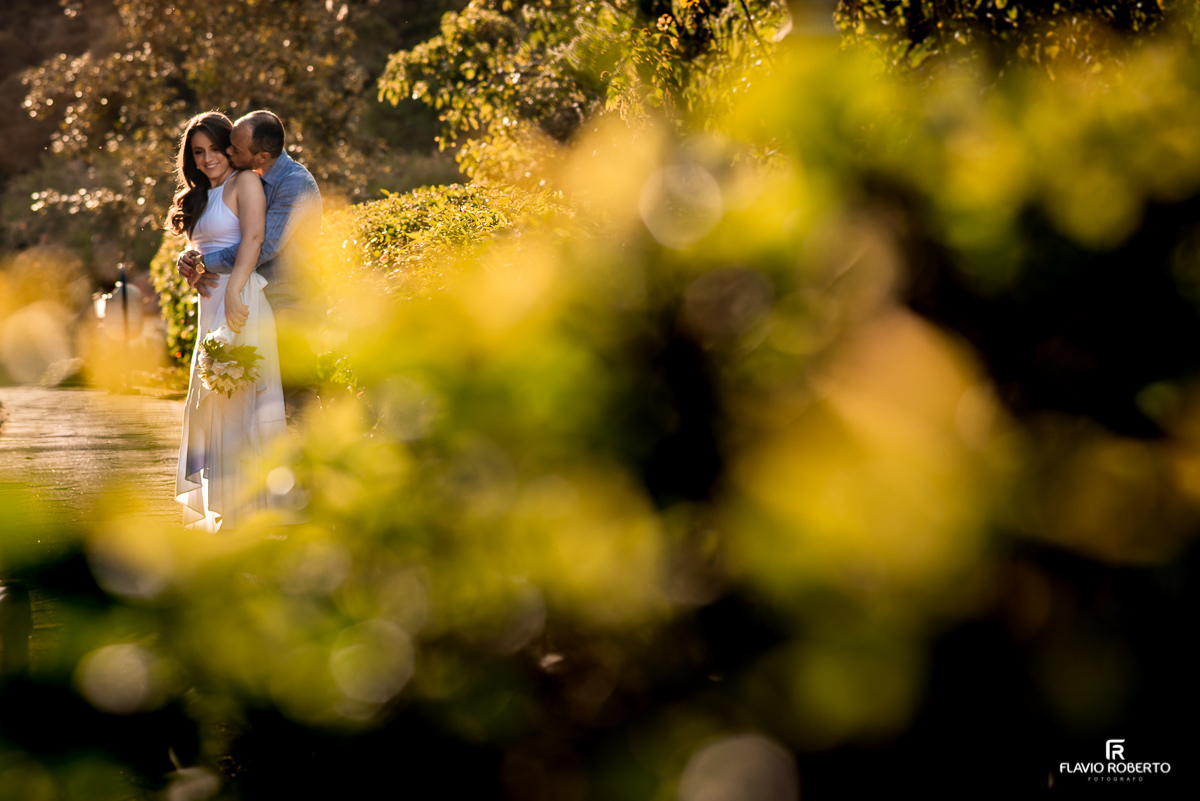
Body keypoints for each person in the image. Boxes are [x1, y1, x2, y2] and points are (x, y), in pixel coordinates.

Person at [168, 111, 289, 532]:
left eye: (216, 149)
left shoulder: (245, 183)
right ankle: (228, 509)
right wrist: (187, 262)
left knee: (244, 402)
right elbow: (202, 256)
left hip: (241, 302)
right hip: (209, 309)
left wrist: (235, 292)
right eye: (198, 153)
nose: (207, 159)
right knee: (216, 405)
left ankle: (258, 511)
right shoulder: (199, 196)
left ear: (230, 148)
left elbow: (255, 239)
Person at [176, 110, 323, 424]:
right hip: (257, 296)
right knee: (257, 398)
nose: (228, 152)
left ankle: (314, 470)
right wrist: (190, 259)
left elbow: (263, 245)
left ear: (263, 155)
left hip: (290, 298)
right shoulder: (251, 176)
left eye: (233, 148)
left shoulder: (293, 183)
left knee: (295, 392)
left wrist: (205, 264)